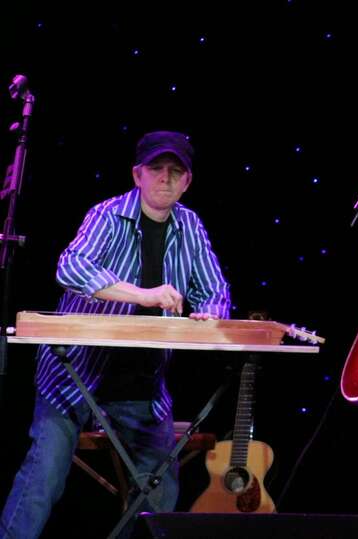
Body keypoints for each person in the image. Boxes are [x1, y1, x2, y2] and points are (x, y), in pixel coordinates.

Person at [0, 131, 231, 539]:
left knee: (159, 486)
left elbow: (214, 290)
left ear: (188, 181)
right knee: (44, 479)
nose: (165, 178)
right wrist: (143, 295)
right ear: (137, 175)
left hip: (141, 385)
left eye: (176, 171)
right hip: (74, 377)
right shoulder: (108, 215)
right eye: (156, 169)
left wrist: (209, 315)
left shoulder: (190, 225)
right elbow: (69, 268)